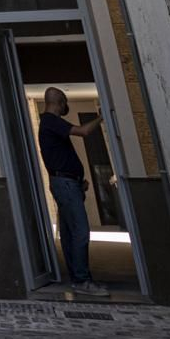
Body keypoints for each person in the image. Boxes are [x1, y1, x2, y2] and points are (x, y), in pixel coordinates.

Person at [37, 88, 107, 295]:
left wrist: (77, 179)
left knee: (69, 233)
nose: (65, 107)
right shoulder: (51, 121)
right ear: (60, 101)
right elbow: (83, 132)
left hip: (68, 183)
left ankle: (78, 277)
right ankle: (82, 280)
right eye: (64, 103)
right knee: (80, 231)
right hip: (65, 184)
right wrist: (103, 117)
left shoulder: (50, 123)